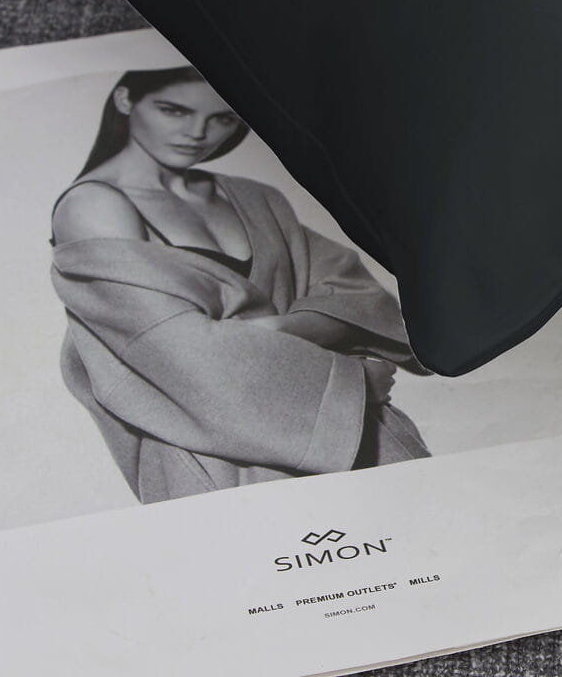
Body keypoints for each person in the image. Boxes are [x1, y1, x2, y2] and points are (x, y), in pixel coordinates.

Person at [49, 65, 430, 503]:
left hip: (361, 439)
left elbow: (357, 294)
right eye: (173, 110)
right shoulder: (92, 206)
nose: (197, 133)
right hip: (215, 457)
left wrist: (273, 330)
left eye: (222, 118)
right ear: (125, 100)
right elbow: (181, 357)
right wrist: (353, 383)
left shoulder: (255, 197)